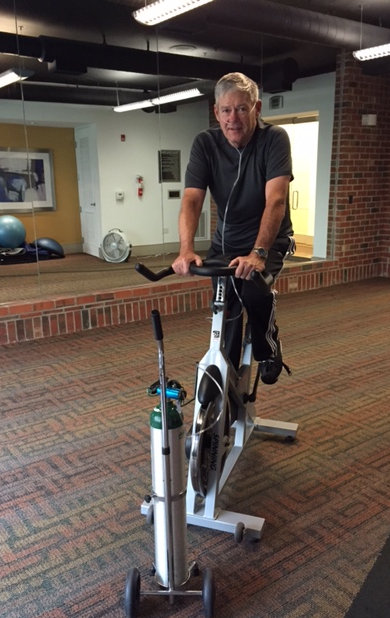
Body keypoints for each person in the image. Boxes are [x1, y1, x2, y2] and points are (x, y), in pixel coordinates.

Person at [172, 72, 294, 385]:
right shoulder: (206, 143)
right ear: (216, 112)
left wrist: (258, 253)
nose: (233, 118)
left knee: (253, 286)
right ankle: (225, 377)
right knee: (224, 307)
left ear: (257, 108)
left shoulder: (274, 139)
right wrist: (186, 248)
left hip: (270, 240)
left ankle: (268, 346)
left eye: (242, 109)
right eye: (226, 110)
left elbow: (276, 201)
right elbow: (191, 200)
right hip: (225, 243)